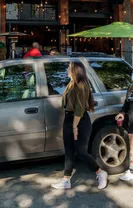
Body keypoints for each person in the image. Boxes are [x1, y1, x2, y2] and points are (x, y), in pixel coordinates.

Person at [52, 61, 108, 190]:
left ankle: (100, 172)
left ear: (75, 70)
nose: (67, 69)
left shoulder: (82, 85)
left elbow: (79, 108)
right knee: (69, 151)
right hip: (69, 118)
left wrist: (74, 126)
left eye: (69, 68)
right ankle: (66, 179)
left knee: (81, 151)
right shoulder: (71, 84)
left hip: (80, 120)